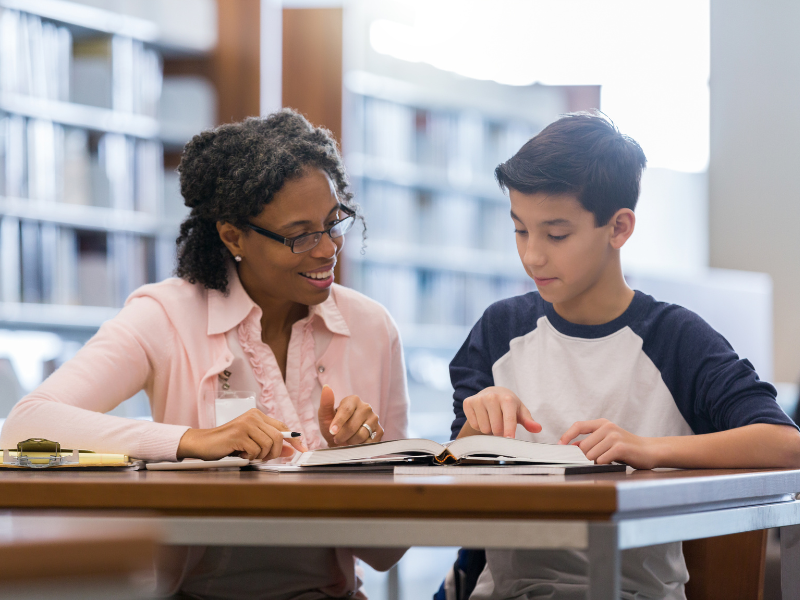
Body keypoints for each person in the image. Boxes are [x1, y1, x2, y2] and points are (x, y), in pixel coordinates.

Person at [0, 110, 409, 599]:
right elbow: (26, 425)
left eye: (333, 222)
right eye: (301, 234)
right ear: (233, 235)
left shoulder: (371, 327)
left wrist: (356, 466)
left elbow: (388, 552)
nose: (327, 250)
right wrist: (192, 440)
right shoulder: (167, 315)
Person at [445, 112, 800, 600]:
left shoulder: (674, 338)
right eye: (520, 231)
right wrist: (473, 431)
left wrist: (653, 450)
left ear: (618, 228)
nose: (532, 257)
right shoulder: (498, 330)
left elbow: (785, 443)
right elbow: (450, 477)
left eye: (556, 234)